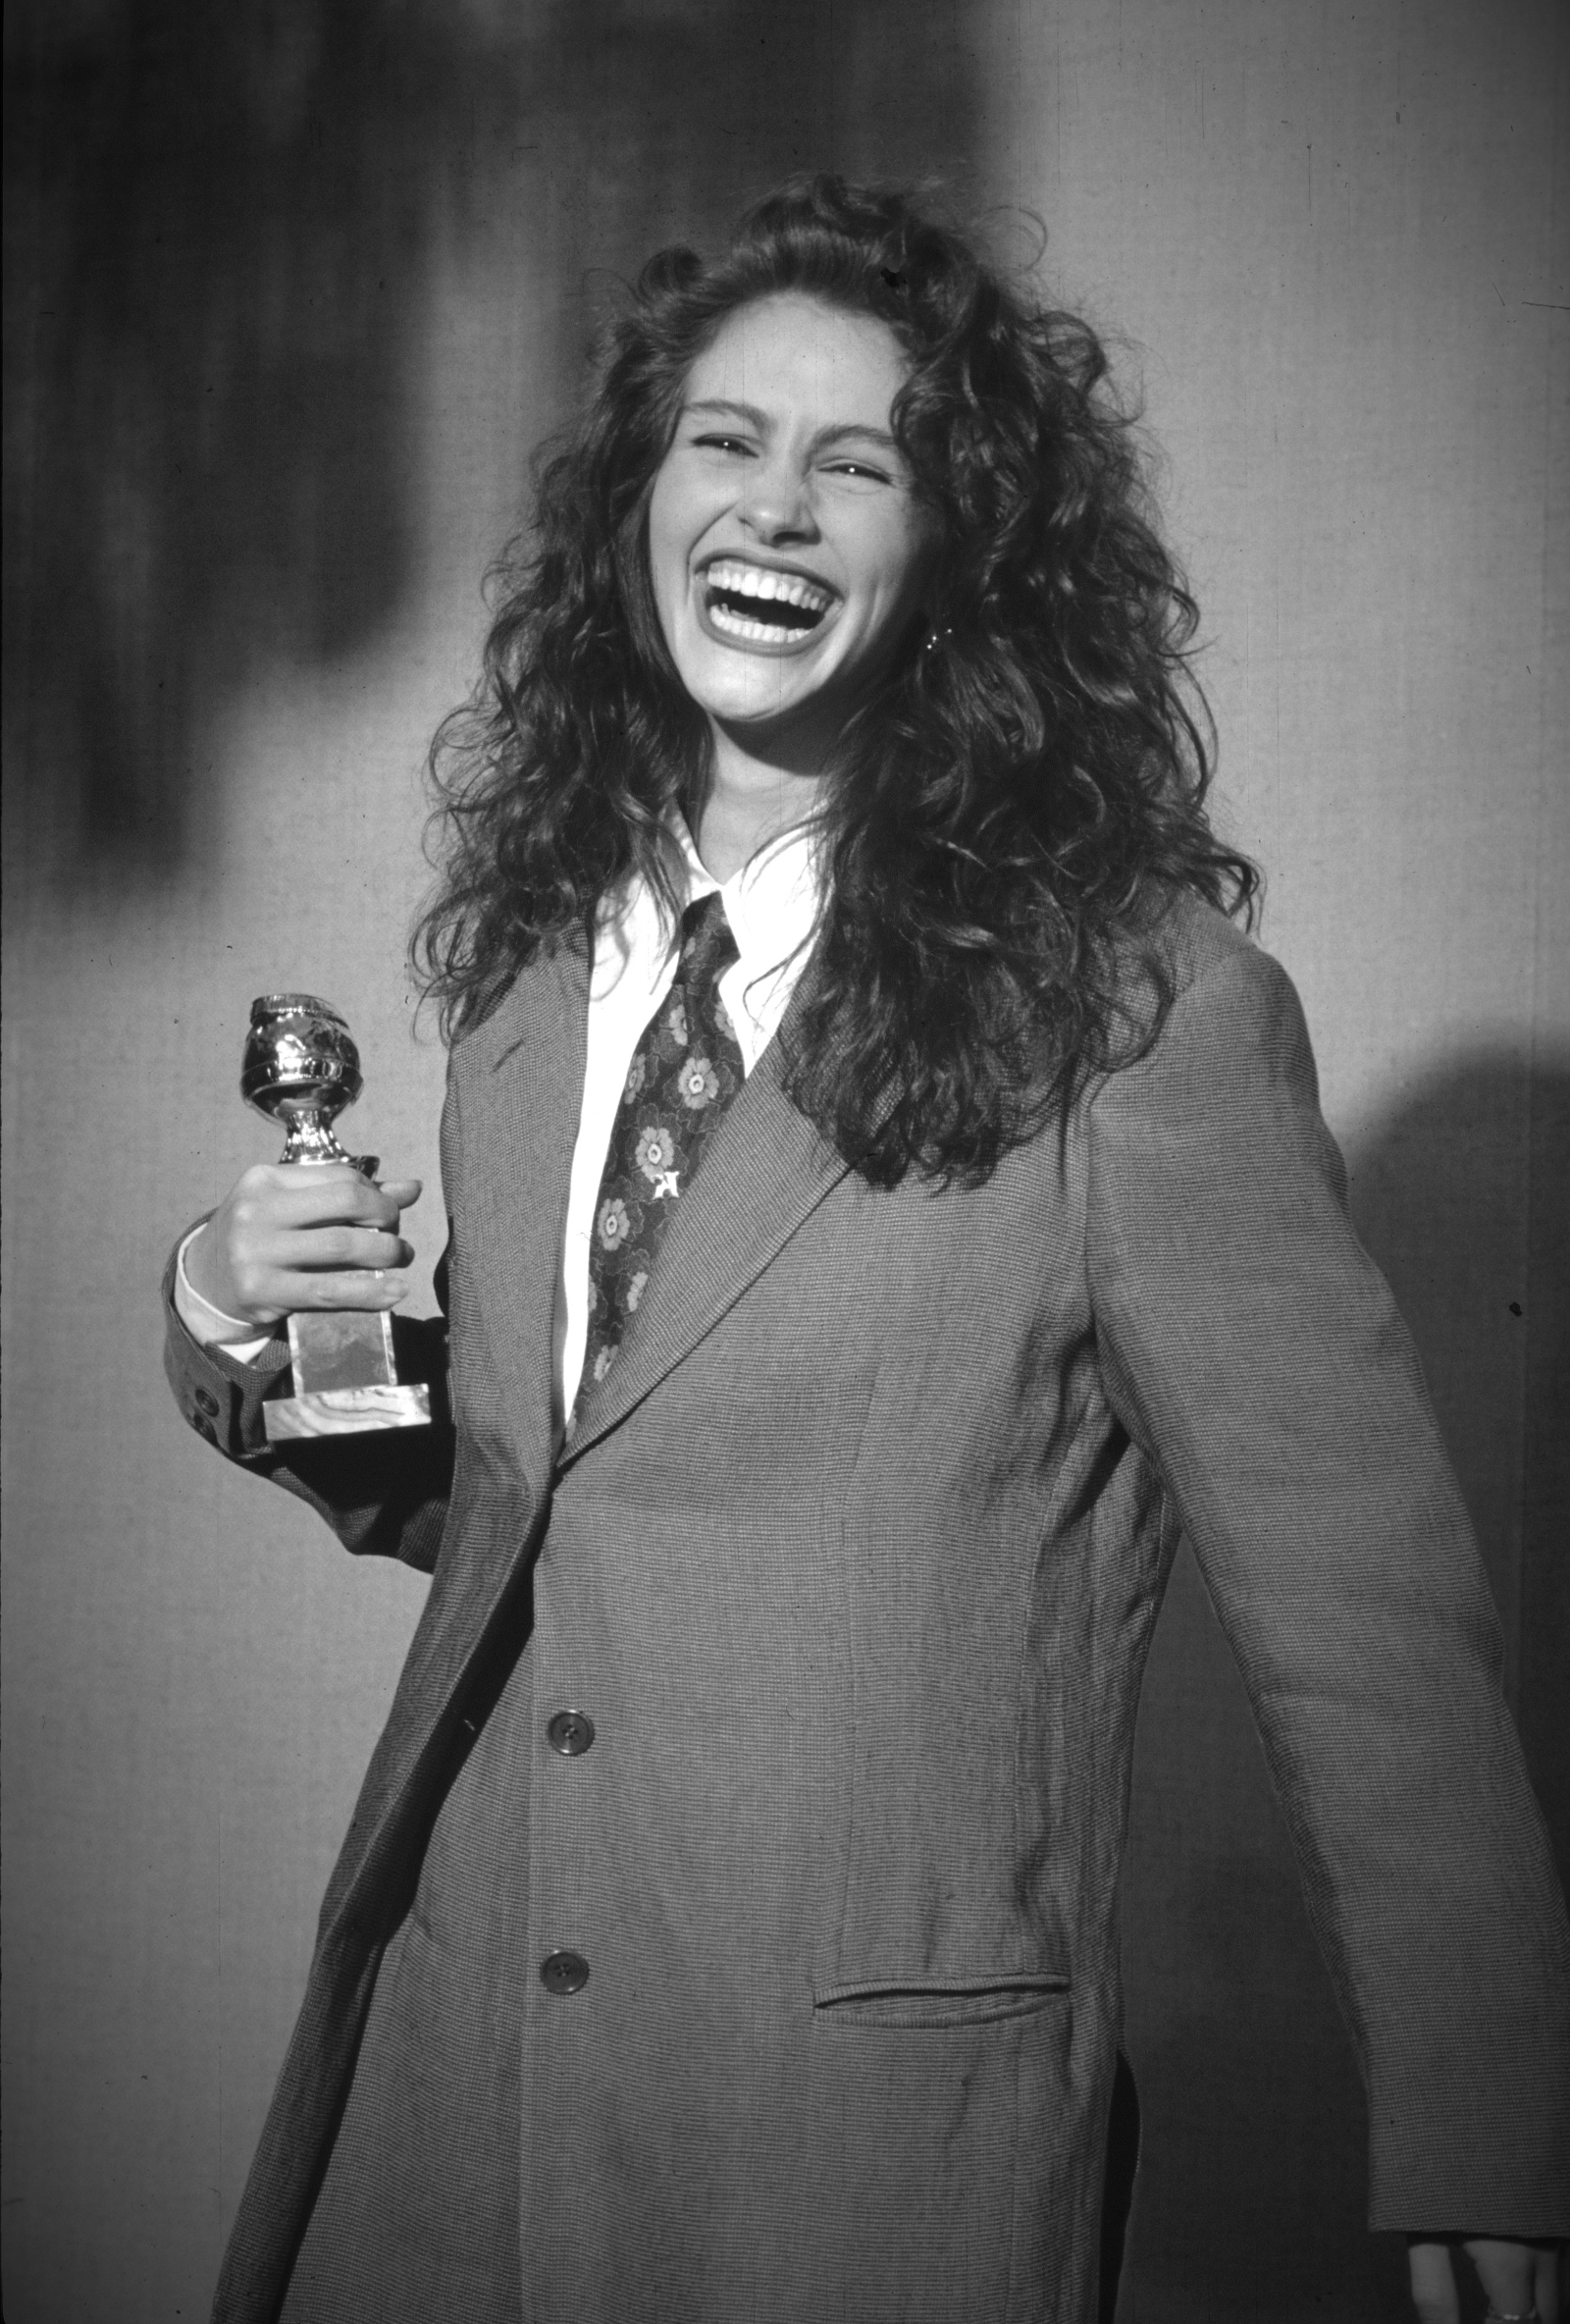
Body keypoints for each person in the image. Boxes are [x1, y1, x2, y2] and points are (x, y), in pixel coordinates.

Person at [166, 177, 1567, 2324]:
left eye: (860, 460)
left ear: (962, 546)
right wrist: (243, 1310)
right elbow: (528, 1500)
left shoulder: (1137, 1008)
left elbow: (1360, 1603)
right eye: (725, 440)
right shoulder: (542, 971)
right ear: (637, 497)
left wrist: (1490, 2107)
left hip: (848, 2165)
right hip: (455, 2096)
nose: (777, 508)